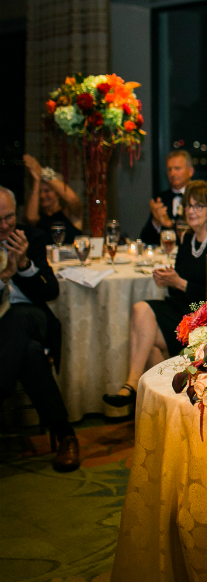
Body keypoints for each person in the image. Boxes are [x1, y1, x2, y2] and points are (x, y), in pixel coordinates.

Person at [104, 181, 207, 407]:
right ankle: (136, 386)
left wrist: (181, 283)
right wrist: (168, 280)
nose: (191, 211)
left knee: (150, 344)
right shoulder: (188, 239)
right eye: (188, 206)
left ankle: (149, 397)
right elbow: (180, 283)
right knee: (140, 310)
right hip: (183, 308)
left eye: (198, 206)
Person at [0, 186, 80, 472]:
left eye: (9, 217)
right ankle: (66, 434)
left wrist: (22, 265)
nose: (5, 225)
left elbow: (50, 291)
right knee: (30, 353)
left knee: (18, 319)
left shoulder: (32, 238)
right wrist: (3, 278)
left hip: (32, 316)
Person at [22, 154, 83, 244]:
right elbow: (30, 218)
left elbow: (73, 200)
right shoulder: (38, 217)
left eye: (47, 191)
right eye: (40, 191)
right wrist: (37, 180)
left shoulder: (70, 213)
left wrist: (42, 172)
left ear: (58, 193)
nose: (42, 195)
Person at [139, 150, 194, 245]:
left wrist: (170, 225)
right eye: (169, 169)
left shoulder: (198, 197)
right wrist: (156, 221)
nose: (172, 173)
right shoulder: (161, 199)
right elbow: (145, 239)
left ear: (190, 172)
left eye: (177, 168)